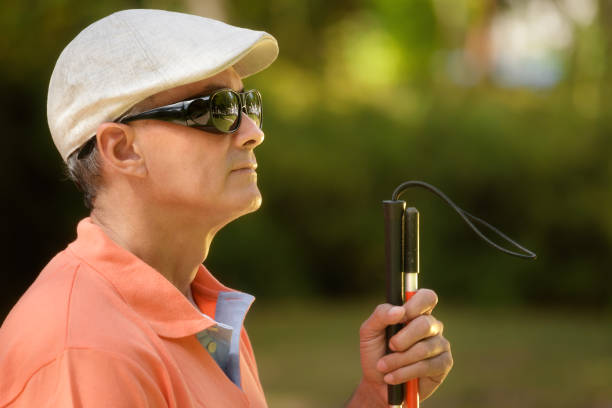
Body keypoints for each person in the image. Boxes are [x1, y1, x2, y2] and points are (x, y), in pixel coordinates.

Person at [0, 9, 452, 407]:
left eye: (247, 103)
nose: (253, 131)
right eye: (217, 109)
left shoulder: (196, 305)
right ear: (122, 150)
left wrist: (376, 396)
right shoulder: (86, 351)